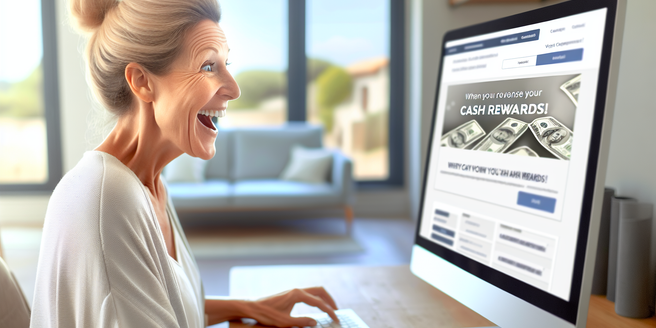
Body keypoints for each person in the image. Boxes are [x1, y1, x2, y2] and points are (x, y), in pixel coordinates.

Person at [30, 0, 339, 327]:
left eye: (227, 63)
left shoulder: (149, 184)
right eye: (208, 66)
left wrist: (249, 308)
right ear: (142, 82)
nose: (233, 89)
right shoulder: (111, 201)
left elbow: (166, 305)